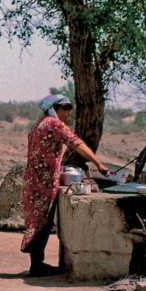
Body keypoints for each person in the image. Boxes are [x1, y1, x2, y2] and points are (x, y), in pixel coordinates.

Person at [20, 94, 110, 277]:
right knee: (42, 222)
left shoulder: (38, 124)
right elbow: (77, 144)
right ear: (55, 108)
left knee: (36, 221)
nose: (69, 112)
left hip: (32, 180)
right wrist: (98, 164)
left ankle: (37, 264)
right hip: (44, 182)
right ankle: (37, 266)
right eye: (66, 107)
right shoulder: (54, 124)